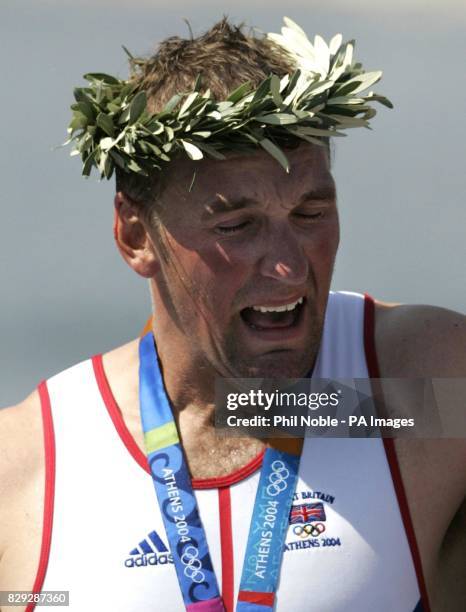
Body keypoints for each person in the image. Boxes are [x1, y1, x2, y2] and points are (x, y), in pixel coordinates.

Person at [0, 17, 464, 612]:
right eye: (237, 226)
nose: (290, 268)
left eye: (310, 213)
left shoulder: (416, 389)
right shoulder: (26, 469)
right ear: (135, 233)